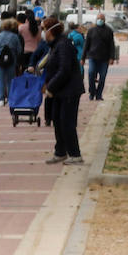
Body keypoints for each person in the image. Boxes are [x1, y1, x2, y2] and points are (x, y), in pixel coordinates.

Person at [43, 22, 85, 164]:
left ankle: (75, 154)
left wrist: (51, 87)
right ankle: (60, 152)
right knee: (58, 121)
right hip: (60, 90)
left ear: (51, 31)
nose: (42, 32)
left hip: (69, 90)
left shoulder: (63, 45)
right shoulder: (56, 45)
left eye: (44, 29)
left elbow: (64, 70)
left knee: (67, 122)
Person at [81, 13, 118, 101]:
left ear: (104, 20)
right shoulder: (91, 30)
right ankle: (92, 92)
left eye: (101, 18)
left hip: (104, 58)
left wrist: (112, 57)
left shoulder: (109, 30)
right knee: (91, 73)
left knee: (102, 77)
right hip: (92, 57)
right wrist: (83, 58)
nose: (100, 20)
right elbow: (86, 45)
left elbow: (111, 45)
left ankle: (99, 94)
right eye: (98, 18)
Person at [0, 18, 24, 107]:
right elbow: (19, 50)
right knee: (10, 80)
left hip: (0, 60)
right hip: (11, 60)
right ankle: (10, 99)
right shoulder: (15, 37)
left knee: (1, 80)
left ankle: (1, 99)